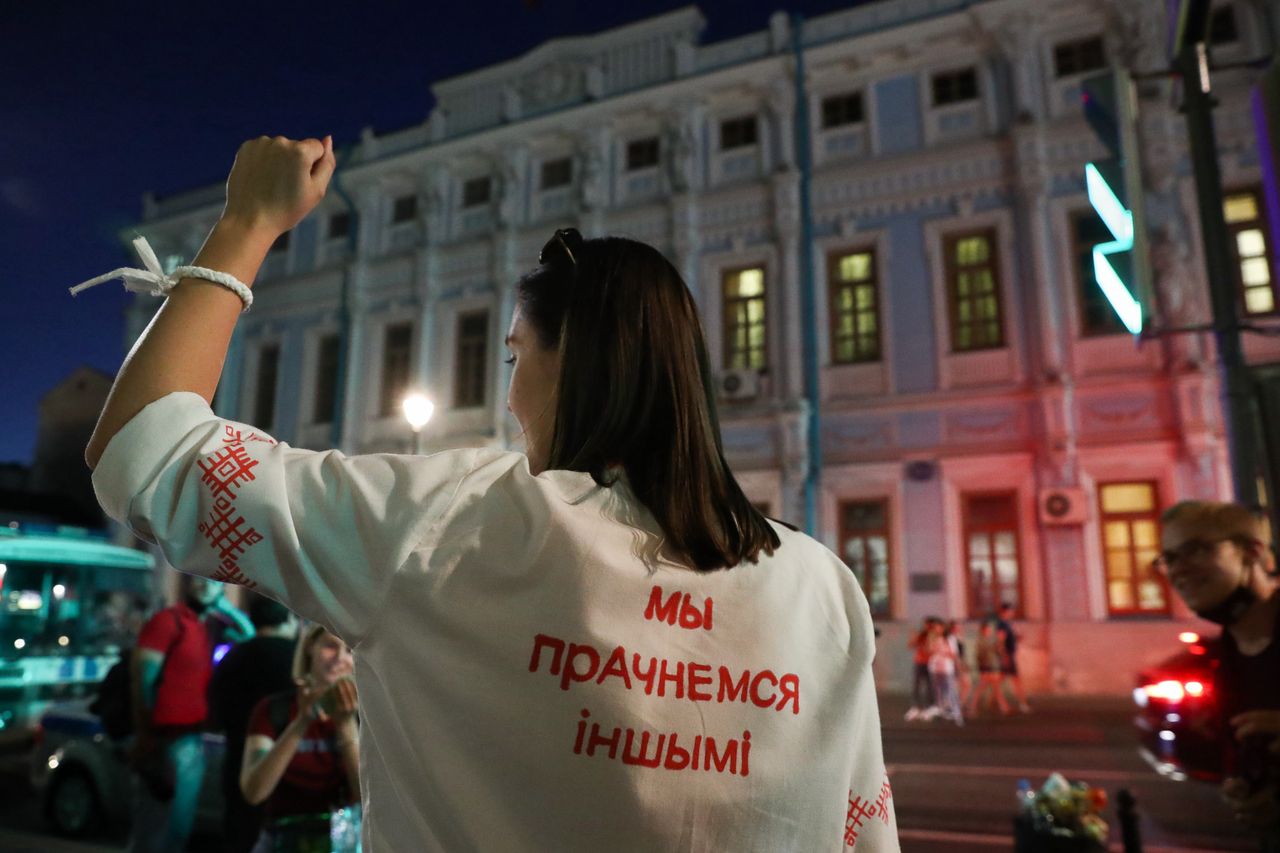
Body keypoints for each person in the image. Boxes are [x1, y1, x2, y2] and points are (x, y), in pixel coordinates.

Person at [82, 136, 899, 851]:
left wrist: (247, 222)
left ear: (567, 358)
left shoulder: (444, 522)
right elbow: (862, 830)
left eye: (514, 357)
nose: (510, 395)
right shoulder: (824, 589)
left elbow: (140, 450)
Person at [1158, 501, 1280, 850]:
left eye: (1195, 550)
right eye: (1170, 559)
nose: (1179, 570)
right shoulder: (1225, 656)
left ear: (1251, 551)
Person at [127, 574, 253, 853]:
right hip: (164, 740)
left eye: (215, 580)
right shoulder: (167, 621)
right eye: (200, 577)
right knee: (155, 831)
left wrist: (225, 607)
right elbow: (142, 681)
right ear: (187, 582)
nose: (207, 584)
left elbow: (249, 636)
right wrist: (146, 736)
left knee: (177, 830)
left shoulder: (207, 626)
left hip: (191, 738)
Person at [240, 624, 360, 852]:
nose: (340, 658)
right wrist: (301, 723)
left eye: (350, 650)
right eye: (330, 646)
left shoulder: (365, 719)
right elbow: (254, 791)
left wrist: (346, 726)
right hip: (283, 839)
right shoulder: (273, 710)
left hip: (342, 840)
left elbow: (369, 797)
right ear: (309, 648)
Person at [209, 594, 300, 853]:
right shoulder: (299, 662)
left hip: (238, 764)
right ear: (290, 619)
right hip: (287, 773)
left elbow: (215, 714)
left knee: (239, 838)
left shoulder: (233, 657)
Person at [965, 620, 1010, 717]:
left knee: (994, 687)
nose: (989, 632)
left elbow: (998, 651)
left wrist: (1000, 642)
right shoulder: (981, 641)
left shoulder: (990, 640)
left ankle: (1004, 706)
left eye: (990, 630)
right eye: (987, 630)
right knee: (982, 687)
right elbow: (981, 654)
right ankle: (972, 707)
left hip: (992, 666)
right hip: (986, 667)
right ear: (983, 631)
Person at [994, 602, 1031, 713]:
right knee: (1014, 680)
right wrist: (1004, 656)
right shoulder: (1002, 624)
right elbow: (1000, 640)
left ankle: (1001, 702)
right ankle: (1022, 703)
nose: (1012, 613)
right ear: (1005, 611)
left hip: (1010, 655)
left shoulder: (1007, 624)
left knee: (1000, 680)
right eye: (1011, 611)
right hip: (1008, 656)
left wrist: (1017, 638)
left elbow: (1009, 639)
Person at [926, 618, 962, 726]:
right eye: (934, 627)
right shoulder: (932, 638)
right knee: (937, 692)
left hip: (946, 668)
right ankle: (941, 712)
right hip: (935, 668)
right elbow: (929, 651)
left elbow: (954, 654)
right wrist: (934, 649)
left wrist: (943, 651)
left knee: (950, 691)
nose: (936, 629)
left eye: (938, 627)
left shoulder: (950, 638)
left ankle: (956, 713)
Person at [905, 617, 937, 721]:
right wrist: (913, 637)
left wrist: (927, 644)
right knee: (917, 686)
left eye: (927, 624)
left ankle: (930, 707)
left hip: (929, 664)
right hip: (919, 663)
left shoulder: (933, 636)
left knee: (930, 686)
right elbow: (910, 645)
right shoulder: (920, 635)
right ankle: (915, 707)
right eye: (925, 624)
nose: (925, 627)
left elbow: (931, 650)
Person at [947, 619, 971, 706]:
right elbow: (955, 654)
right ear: (953, 628)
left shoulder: (958, 637)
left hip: (961, 662)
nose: (960, 628)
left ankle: (958, 703)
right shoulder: (951, 638)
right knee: (958, 684)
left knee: (965, 684)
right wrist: (958, 665)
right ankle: (952, 704)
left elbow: (962, 653)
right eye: (958, 626)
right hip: (956, 664)